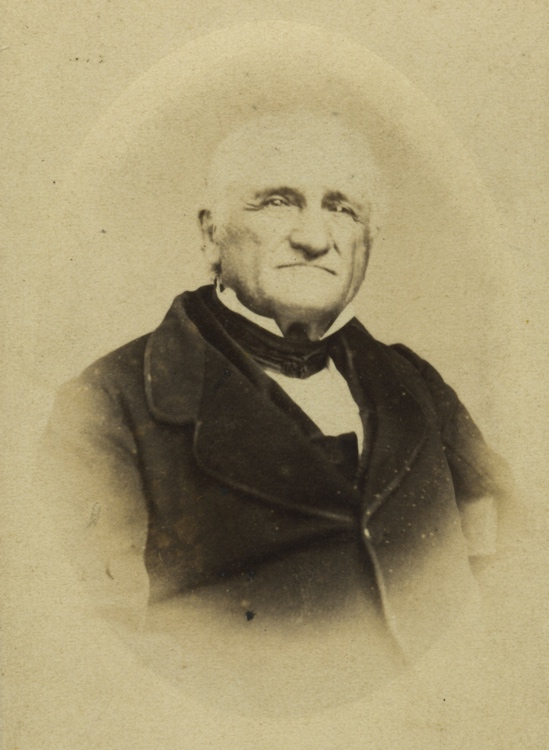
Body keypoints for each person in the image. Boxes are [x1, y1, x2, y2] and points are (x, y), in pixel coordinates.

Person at [42, 113, 509, 663]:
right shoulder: (107, 401)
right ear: (210, 235)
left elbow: (512, 551)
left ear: (368, 241)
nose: (314, 238)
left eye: (341, 209)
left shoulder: (414, 380)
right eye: (277, 202)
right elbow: (100, 644)